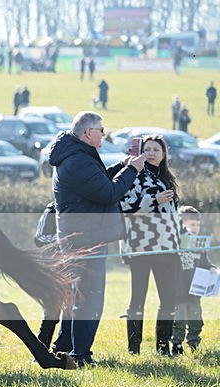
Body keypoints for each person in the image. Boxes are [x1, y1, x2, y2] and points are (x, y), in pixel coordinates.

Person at [50, 111, 145, 367]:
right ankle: (80, 354)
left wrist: (122, 166)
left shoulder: (75, 155)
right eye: (101, 129)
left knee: (77, 295)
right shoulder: (79, 160)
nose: (104, 133)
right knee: (88, 298)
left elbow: (96, 181)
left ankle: (64, 347)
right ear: (88, 132)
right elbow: (109, 192)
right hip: (86, 238)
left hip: (79, 235)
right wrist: (132, 170)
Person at [119, 135, 182, 355]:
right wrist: (154, 201)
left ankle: (163, 347)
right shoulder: (134, 175)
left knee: (169, 298)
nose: (152, 153)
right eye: (147, 149)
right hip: (141, 246)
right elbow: (125, 207)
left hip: (167, 247)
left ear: (164, 154)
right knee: (138, 298)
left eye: (156, 149)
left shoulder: (168, 178)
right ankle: (134, 348)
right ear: (141, 153)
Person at [172, 206, 216, 354]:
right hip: (179, 289)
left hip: (195, 290)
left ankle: (194, 343)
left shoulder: (200, 246)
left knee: (196, 320)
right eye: (191, 224)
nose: (195, 228)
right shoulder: (176, 243)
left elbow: (205, 262)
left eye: (197, 224)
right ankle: (177, 344)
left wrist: (211, 268)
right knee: (179, 319)